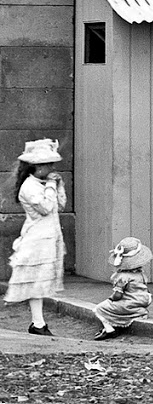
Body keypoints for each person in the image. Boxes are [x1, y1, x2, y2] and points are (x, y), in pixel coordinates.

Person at [5, 139, 67, 336]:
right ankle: (38, 323)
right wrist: (50, 184)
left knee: (42, 282)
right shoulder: (29, 186)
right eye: (46, 165)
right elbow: (46, 208)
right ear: (35, 167)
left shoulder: (43, 183)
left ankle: (38, 323)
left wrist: (58, 185)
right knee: (36, 281)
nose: (51, 168)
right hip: (36, 239)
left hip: (50, 237)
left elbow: (61, 205)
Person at [92, 237, 153, 340]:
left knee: (98, 309)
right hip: (143, 300)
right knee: (127, 302)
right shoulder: (140, 273)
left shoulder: (122, 277)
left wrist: (111, 299)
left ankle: (109, 329)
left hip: (129, 302)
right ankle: (139, 312)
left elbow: (118, 295)